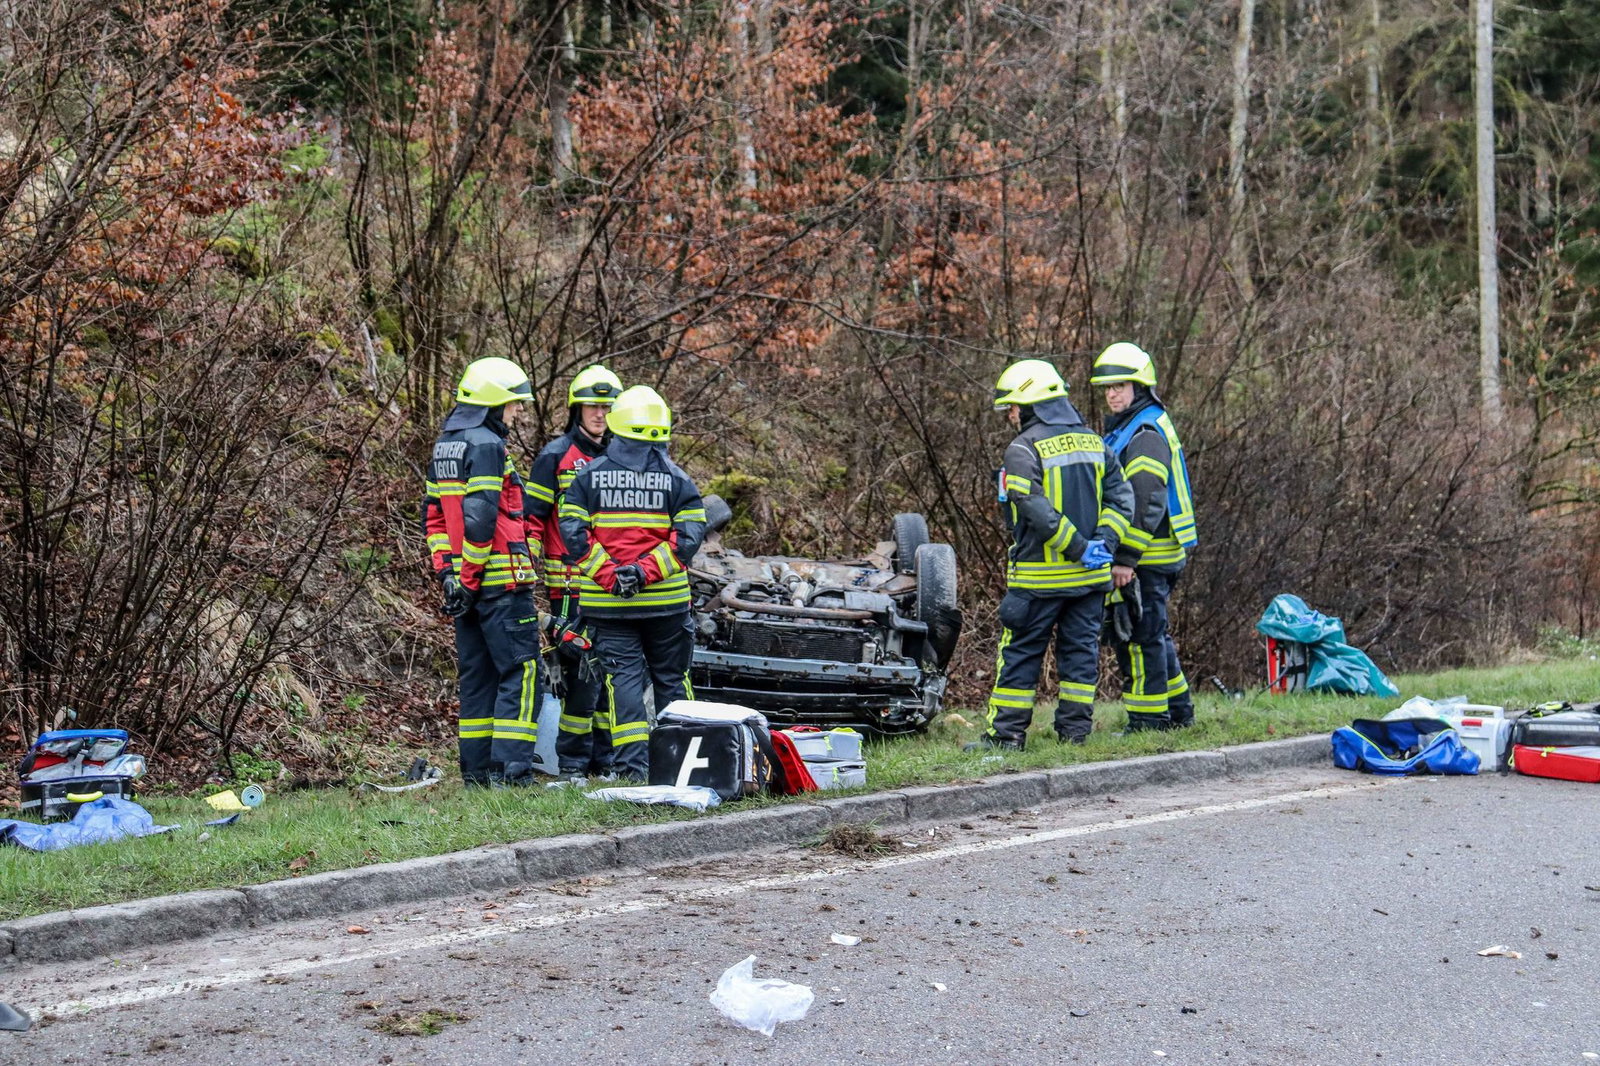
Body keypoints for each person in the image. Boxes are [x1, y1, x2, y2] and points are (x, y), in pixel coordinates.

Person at [970, 358, 1135, 750]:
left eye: (1012, 406)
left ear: (1031, 403)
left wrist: (1076, 547)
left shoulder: (1022, 448)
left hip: (1038, 581)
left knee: (1020, 656)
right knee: (1080, 658)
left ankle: (1006, 737)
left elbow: (1032, 506)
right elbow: (1122, 498)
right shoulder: (1095, 442)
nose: (1010, 415)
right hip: (1090, 580)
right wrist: (1104, 543)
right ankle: (1074, 736)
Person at [558, 385, 707, 781]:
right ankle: (681, 769)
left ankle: (631, 772)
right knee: (672, 681)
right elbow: (687, 540)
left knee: (621, 684)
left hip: (610, 608)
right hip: (666, 605)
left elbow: (573, 533)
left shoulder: (587, 477)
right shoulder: (678, 480)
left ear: (616, 425)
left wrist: (611, 575)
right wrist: (645, 572)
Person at [423, 357, 544, 786]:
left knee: (477, 678)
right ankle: (513, 773)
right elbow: (480, 518)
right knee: (522, 672)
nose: (518, 411)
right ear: (493, 403)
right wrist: (470, 580)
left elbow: (434, 519)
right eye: (513, 403)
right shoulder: (488, 445)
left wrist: (450, 577)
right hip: (499, 584)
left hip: (465, 589)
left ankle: (477, 774)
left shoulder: (445, 445)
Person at [1090, 341, 1199, 731]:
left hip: (1147, 556)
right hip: (1156, 554)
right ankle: (1179, 712)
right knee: (1155, 634)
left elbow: (1146, 500)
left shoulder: (1144, 432)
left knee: (1139, 638)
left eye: (1120, 386)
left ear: (1140, 387)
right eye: (1108, 387)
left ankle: (1149, 721)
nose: (1112, 394)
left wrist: (1125, 558)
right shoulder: (1137, 425)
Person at [524, 364, 624, 778]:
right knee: (581, 674)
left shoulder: (623, 456)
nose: (600, 414)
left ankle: (606, 761)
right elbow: (531, 519)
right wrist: (527, 575)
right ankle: (573, 765)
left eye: (608, 407)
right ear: (576, 409)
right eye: (592, 407)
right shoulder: (555, 455)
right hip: (568, 586)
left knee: (610, 673)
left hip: (615, 585)